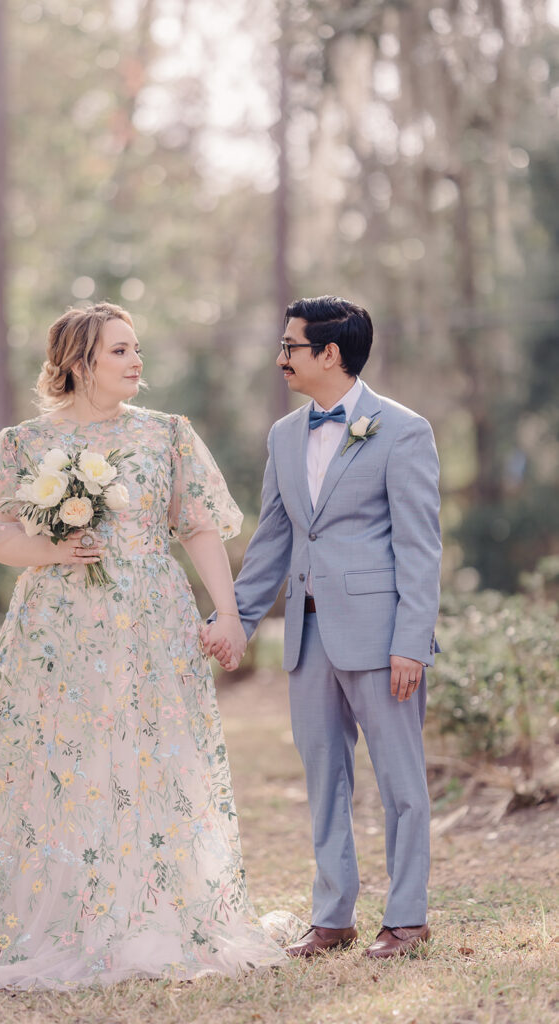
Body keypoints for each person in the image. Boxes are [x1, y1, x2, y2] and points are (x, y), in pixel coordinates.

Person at [0, 301, 287, 988]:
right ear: (78, 362)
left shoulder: (167, 434)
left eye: (136, 348)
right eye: (119, 350)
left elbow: (198, 527)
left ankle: (151, 905)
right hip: (58, 625)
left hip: (151, 619)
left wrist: (229, 614)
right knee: (60, 753)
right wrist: (53, 549)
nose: (136, 360)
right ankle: (60, 905)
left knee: (152, 751)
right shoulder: (22, 444)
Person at [204, 295, 441, 960]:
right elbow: (273, 541)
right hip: (306, 642)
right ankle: (333, 916)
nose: (280, 357)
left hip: (381, 638)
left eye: (291, 346)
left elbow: (419, 547)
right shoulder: (284, 436)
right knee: (324, 781)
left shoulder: (403, 430)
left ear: (329, 353)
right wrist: (234, 619)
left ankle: (407, 918)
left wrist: (411, 642)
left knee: (401, 784)